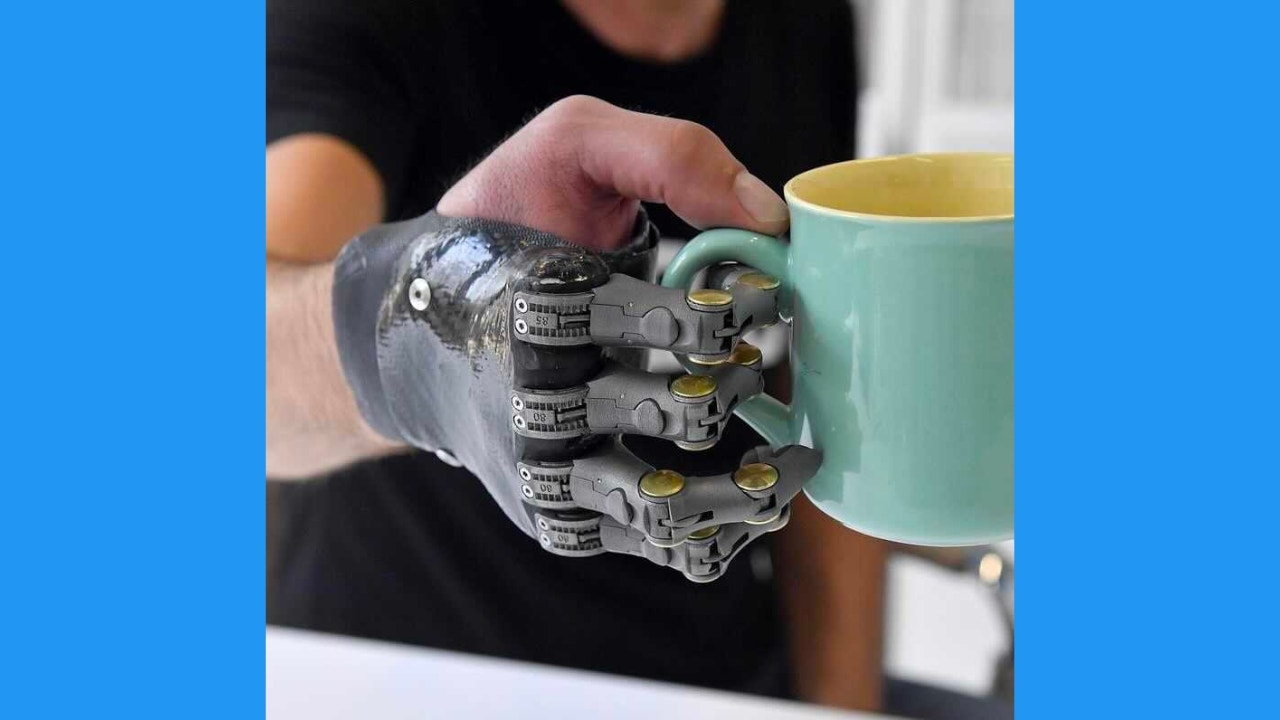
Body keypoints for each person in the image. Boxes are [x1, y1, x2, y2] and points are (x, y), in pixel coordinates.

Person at [266, 0, 887, 712]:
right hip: (413, 679)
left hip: (716, 682)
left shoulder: (807, 23)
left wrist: (841, 704)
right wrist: (441, 321)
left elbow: (820, 393)